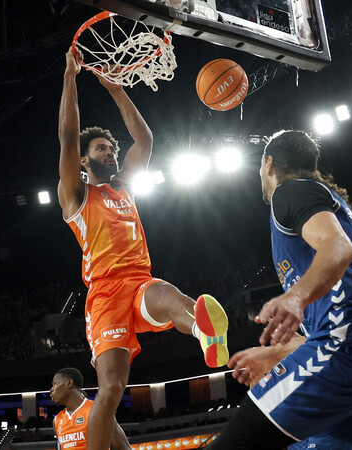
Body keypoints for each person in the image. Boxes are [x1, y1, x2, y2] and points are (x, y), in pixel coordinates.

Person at [209, 130, 352, 449]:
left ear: (268, 164)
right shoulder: (321, 200)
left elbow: (339, 246)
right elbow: (339, 309)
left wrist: (295, 297)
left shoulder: (290, 192)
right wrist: (278, 351)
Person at [58, 47, 229, 450]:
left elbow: (144, 139)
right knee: (113, 389)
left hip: (137, 283)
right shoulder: (76, 195)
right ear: (83, 161)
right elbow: (67, 136)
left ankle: (207, 337)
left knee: (172, 296)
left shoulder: (126, 186)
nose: (111, 152)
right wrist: (70, 78)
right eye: (101, 149)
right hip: (104, 295)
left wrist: (117, 90)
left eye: (111, 148)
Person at [50, 367, 130, 450]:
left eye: (54, 384)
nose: (51, 390)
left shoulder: (97, 411)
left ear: (69, 383)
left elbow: (124, 447)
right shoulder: (57, 420)